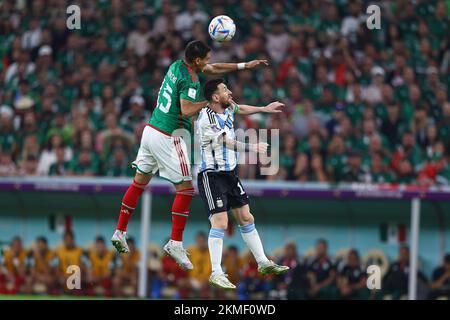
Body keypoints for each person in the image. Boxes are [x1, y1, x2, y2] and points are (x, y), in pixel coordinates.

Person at [111, 40, 268, 271]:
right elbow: (186, 109)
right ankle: (175, 242)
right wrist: (208, 102)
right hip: (169, 135)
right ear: (197, 61)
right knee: (185, 189)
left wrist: (245, 65)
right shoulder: (192, 81)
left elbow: (213, 69)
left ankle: (120, 231)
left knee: (139, 182)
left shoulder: (176, 66)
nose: (209, 63)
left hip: (150, 130)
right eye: (206, 59)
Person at [197, 78, 289, 289]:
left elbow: (241, 108)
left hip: (229, 174)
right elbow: (226, 142)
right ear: (214, 96)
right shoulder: (206, 118)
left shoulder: (227, 108)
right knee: (220, 222)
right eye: (224, 89)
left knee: (246, 217)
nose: (229, 91)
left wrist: (264, 109)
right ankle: (216, 272)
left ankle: (263, 262)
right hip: (212, 176)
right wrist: (252, 147)